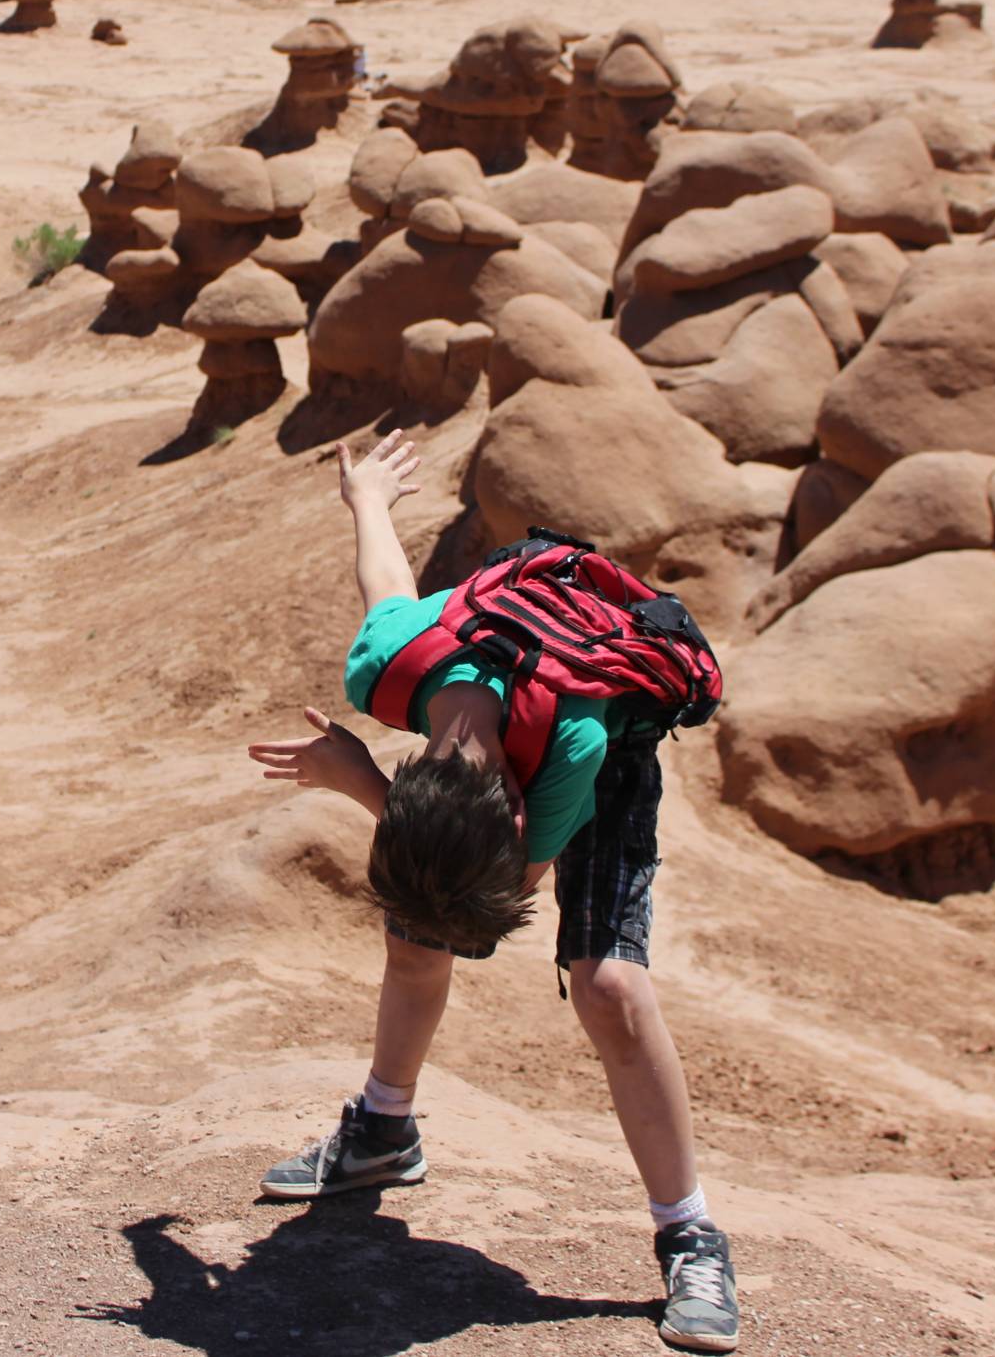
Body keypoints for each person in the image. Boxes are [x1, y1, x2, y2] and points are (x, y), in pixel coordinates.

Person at [245, 430, 741, 1354]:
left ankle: (691, 1233)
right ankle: (384, 1133)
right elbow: (388, 588)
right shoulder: (389, 668)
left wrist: (359, 784)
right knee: (415, 933)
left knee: (609, 987)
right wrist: (366, 498)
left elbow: (514, 880)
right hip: (493, 763)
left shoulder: (572, 753)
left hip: (603, 736)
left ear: (513, 811)